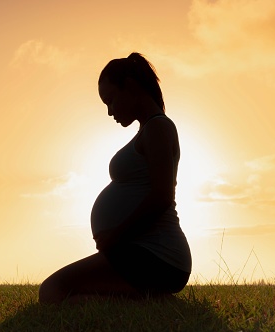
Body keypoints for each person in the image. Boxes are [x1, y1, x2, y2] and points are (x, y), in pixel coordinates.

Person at [38, 52, 192, 304]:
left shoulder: (159, 128)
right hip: (139, 251)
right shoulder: (148, 130)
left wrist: (116, 235)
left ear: (130, 87)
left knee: (52, 291)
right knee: (56, 292)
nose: (110, 111)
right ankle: (152, 300)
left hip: (157, 254)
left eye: (110, 100)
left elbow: (162, 197)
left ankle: (153, 303)